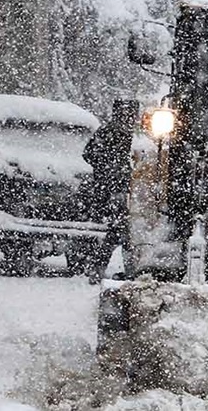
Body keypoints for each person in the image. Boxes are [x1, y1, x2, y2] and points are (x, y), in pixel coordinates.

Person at [81, 99, 136, 283]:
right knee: (119, 231)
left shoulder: (133, 136)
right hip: (111, 190)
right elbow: (89, 154)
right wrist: (107, 169)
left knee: (121, 231)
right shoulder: (108, 133)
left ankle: (103, 268)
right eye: (125, 113)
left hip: (125, 189)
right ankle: (103, 269)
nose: (128, 118)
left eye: (131, 114)